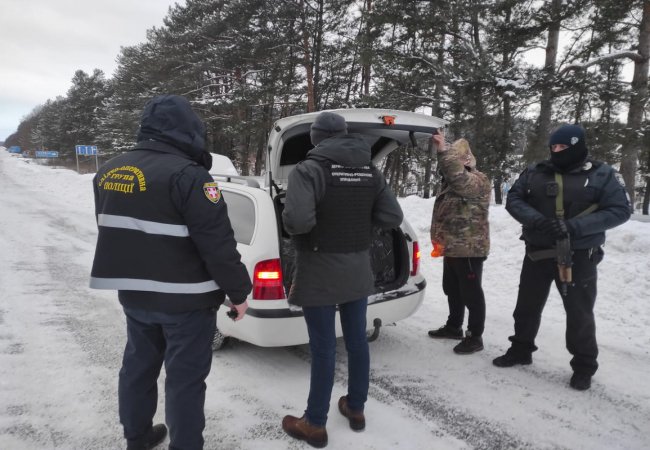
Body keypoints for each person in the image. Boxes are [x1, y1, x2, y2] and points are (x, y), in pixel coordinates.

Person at [89, 94, 252, 449]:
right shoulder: (191, 177)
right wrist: (239, 293)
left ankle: (136, 438)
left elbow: (114, 229)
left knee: (138, 368)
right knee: (185, 381)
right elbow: (218, 245)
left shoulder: (108, 172)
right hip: (187, 303)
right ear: (188, 129)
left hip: (135, 295)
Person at [280, 111, 404, 448]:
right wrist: (362, 227)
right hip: (358, 268)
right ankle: (356, 408)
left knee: (323, 348)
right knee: (357, 341)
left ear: (316, 138)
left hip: (319, 269)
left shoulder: (308, 170)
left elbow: (298, 222)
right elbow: (392, 216)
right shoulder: (370, 170)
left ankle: (314, 424)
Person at [493, 124, 631, 391]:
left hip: (579, 256)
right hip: (537, 251)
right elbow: (515, 199)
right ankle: (521, 349)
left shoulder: (602, 174)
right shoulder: (535, 171)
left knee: (579, 313)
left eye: (563, 147)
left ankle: (584, 366)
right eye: (553, 147)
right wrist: (539, 221)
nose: (557, 151)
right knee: (526, 306)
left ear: (578, 146)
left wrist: (573, 227)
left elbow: (619, 210)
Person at [427, 132, 491, 354]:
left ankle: (475, 336)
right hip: (452, 247)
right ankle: (454, 327)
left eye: (456, 158)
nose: (452, 162)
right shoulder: (451, 183)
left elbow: (458, 178)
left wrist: (443, 151)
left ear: (466, 160)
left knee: (471, 294)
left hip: (469, 249)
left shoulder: (477, 180)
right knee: (452, 289)